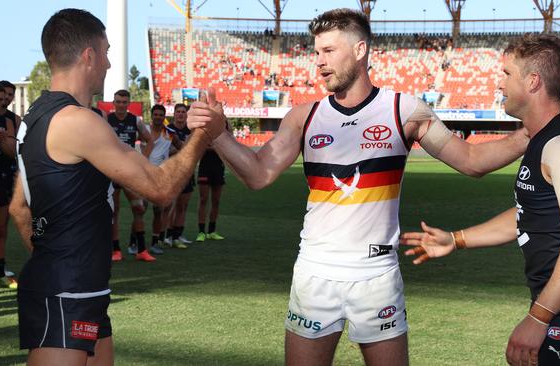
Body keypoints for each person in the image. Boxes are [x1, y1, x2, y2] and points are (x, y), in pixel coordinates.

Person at [190, 8, 528, 365]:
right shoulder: (304, 117)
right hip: (315, 271)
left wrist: (529, 133)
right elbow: (258, 174)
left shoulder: (405, 110)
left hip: (376, 275)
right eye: (316, 52)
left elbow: (471, 162)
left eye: (329, 51)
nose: (318, 62)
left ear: (360, 50)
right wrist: (219, 135)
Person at [8, 8, 225, 365]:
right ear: (89, 56)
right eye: (106, 52)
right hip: (67, 291)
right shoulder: (78, 122)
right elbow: (161, 188)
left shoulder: (36, 117)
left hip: (79, 287)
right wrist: (204, 135)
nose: (109, 63)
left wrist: (54, 264)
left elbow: (20, 207)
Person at [401, 34, 560, 366]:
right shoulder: (540, 140)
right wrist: (456, 239)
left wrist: (539, 317)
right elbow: (529, 214)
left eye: (506, 74)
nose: (499, 83)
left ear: (533, 82)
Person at [106, 89, 155, 261]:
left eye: (124, 102)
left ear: (129, 103)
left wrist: (143, 159)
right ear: (114, 102)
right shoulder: (106, 119)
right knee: (114, 211)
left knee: (139, 208)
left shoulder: (135, 121)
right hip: (111, 171)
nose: (121, 105)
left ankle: (141, 250)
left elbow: (149, 140)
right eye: (118, 101)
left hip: (129, 171)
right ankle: (115, 250)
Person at [146, 104, 183, 254]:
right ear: (152, 115)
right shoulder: (144, 131)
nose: (158, 117)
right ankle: (134, 242)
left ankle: (155, 242)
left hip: (161, 176)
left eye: (161, 115)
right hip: (143, 174)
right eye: (156, 114)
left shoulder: (168, 133)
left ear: (164, 117)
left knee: (158, 211)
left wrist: (170, 156)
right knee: (140, 208)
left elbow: (181, 146)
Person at [0, 83, 17, 289]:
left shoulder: (9, 120)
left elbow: (12, 152)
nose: (3, 102)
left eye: (5, 99)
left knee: (1, 227)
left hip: (2, 176)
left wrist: (4, 141)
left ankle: (0, 270)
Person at [166, 103, 194, 246]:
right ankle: (168, 235)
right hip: (172, 171)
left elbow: (193, 151)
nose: (181, 114)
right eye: (178, 112)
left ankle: (178, 234)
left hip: (187, 171)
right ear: (174, 113)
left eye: (183, 112)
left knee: (183, 206)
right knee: (171, 205)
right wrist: (183, 149)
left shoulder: (190, 131)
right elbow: (167, 152)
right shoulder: (169, 130)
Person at [195, 138, 226, 242]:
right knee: (203, 199)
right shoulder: (205, 126)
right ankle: (201, 232)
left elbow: (227, 147)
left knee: (216, 200)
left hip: (218, 167)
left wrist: (212, 146)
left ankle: (211, 231)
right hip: (205, 167)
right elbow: (200, 147)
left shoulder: (225, 126)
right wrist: (216, 147)